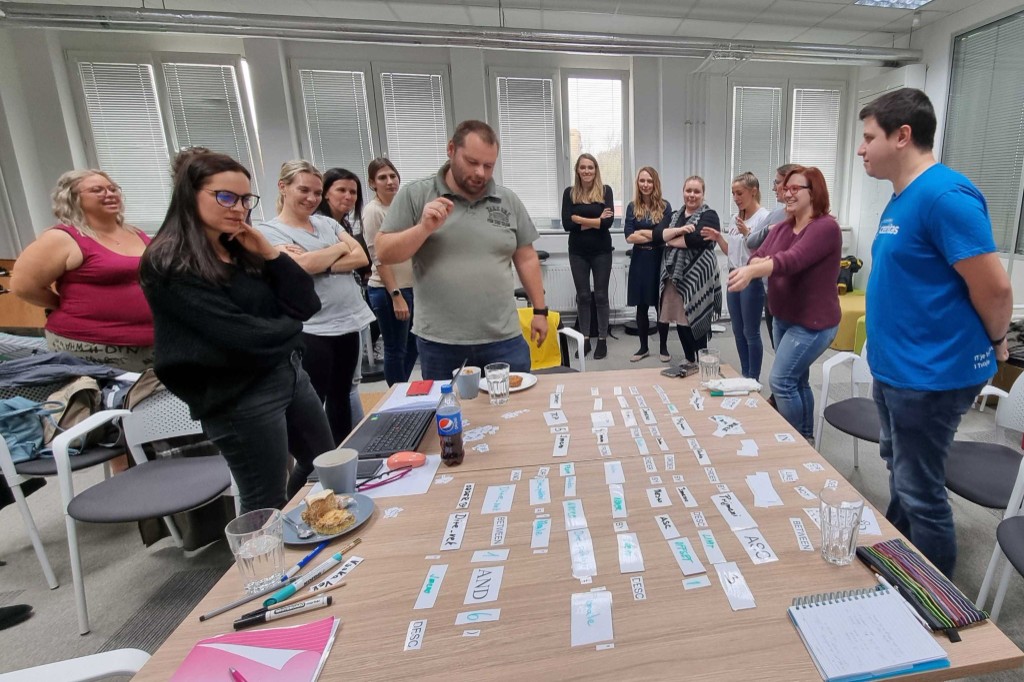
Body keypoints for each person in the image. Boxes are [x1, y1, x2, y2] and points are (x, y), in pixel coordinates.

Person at [858, 88, 1012, 576]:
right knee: (901, 468)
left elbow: (996, 289)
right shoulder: (902, 198)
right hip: (896, 367)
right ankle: (899, 553)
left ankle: (933, 599)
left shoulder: (945, 196)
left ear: (902, 136)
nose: (861, 149)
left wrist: (995, 342)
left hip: (930, 375)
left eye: (868, 137)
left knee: (922, 490)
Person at [140, 148, 333, 513]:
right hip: (239, 396)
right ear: (189, 194)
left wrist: (272, 255)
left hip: (287, 374)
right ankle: (264, 568)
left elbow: (307, 305)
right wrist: (292, 330)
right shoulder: (169, 263)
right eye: (225, 197)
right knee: (264, 501)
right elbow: (244, 338)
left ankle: (297, 526)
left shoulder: (241, 246)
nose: (238, 208)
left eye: (245, 199)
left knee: (324, 464)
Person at [374, 120, 548, 380]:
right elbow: (384, 252)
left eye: (488, 166)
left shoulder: (507, 200)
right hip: (441, 342)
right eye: (472, 162)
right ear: (451, 149)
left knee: (515, 412)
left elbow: (526, 259)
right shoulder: (416, 195)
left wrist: (540, 311)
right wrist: (423, 228)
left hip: (503, 337)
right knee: (450, 415)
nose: (481, 173)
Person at [259, 161, 375, 445]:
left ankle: (345, 455)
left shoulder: (326, 222)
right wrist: (337, 248)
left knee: (342, 396)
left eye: (316, 192)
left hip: (348, 322)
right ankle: (314, 467)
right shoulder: (269, 231)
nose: (311, 199)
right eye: (304, 190)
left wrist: (320, 258)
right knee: (314, 399)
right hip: (314, 328)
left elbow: (360, 256)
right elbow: (300, 266)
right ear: (283, 187)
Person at [727, 166, 841, 440]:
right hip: (784, 317)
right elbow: (759, 252)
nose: (786, 193)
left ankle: (790, 441)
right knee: (798, 379)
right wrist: (758, 263)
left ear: (814, 192)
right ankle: (805, 437)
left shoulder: (825, 227)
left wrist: (755, 269)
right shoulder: (783, 226)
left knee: (781, 380)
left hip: (813, 323)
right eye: (785, 188)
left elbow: (792, 260)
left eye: (794, 189)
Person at [10, 170, 153, 371]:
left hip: (151, 342)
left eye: (113, 189)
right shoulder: (62, 238)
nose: (110, 194)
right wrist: (62, 304)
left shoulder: (136, 233)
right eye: (98, 190)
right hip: (90, 345)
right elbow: (23, 286)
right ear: (73, 198)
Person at [702, 172, 771, 381]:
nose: (736, 197)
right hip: (734, 275)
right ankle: (745, 373)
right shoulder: (735, 218)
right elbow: (730, 251)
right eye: (733, 193)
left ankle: (754, 378)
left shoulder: (764, 218)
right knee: (738, 330)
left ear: (753, 191)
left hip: (751, 278)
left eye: (739, 193)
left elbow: (764, 252)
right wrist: (718, 238)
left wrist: (748, 233)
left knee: (751, 331)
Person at [316, 167, 372, 425]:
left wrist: (328, 261)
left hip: (350, 309)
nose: (348, 196)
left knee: (349, 384)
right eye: (341, 190)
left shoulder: (343, 224)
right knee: (338, 388)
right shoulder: (317, 224)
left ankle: (353, 441)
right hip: (323, 318)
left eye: (353, 191)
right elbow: (306, 265)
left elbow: (361, 258)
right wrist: (338, 256)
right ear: (325, 193)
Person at [654, 176, 722, 363]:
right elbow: (658, 234)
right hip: (674, 275)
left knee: (696, 314)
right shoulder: (674, 215)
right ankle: (689, 358)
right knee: (680, 316)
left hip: (699, 276)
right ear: (683, 192)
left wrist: (671, 238)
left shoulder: (710, 215)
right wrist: (681, 231)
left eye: (696, 191)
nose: (692, 195)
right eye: (688, 191)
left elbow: (699, 240)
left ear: (703, 194)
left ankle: (702, 358)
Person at [362, 158, 417, 385]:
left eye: (393, 176)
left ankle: (401, 389)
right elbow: (379, 258)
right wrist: (396, 295)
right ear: (372, 183)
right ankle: (398, 398)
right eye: (383, 177)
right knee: (396, 349)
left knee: (414, 344)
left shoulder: (401, 207)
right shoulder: (373, 211)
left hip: (410, 287)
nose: (390, 181)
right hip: (388, 291)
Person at [562, 154, 614, 360]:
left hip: (602, 251)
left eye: (590, 167)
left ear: (596, 170)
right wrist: (595, 220)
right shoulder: (570, 193)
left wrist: (579, 219)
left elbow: (607, 224)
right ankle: (584, 339)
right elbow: (567, 224)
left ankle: (602, 339)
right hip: (577, 252)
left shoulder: (605, 191)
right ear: (577, 170)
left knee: (601, 295)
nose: (587, 171)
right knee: (583, 296)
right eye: (583, 167)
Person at [624, 166, 672, 362]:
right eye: (642, 180)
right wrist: (652, 234)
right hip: (639, 261)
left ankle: (663, 347)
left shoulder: (665, 207)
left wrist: (643, 233)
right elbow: (629, 237)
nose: (645, 184)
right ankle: (643, 347)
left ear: (655, 184)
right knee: (641, 306)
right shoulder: (631, 207)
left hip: (658, 259)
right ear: (638, 183)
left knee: (661, 305)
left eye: (649, 181)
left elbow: (663, 235)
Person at [751, 163, 799, 351]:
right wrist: (769, 231)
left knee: (791, 361)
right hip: (771, 292)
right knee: (779, 351)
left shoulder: (814, 220)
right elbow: (752, 242)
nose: (773, 188)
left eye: (776, 182)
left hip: (794, 297)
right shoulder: (776, 215)